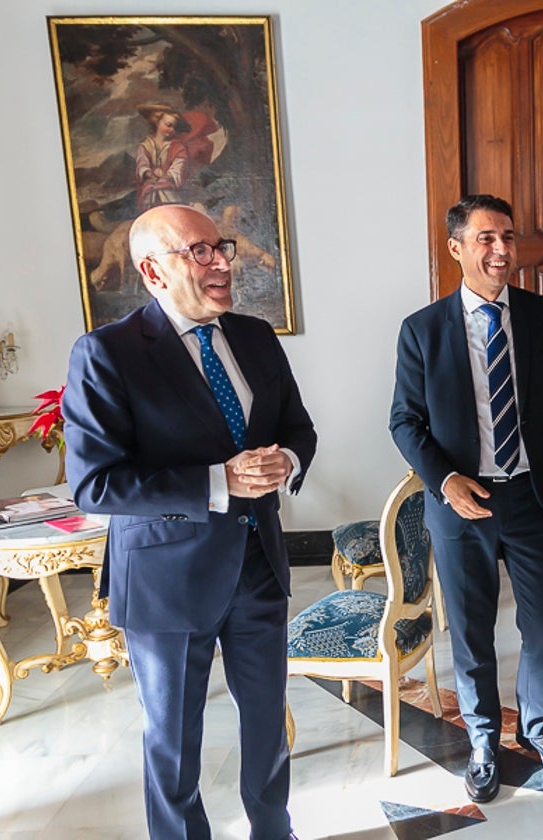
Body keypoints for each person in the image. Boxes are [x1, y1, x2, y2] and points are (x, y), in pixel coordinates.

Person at [63, 204, 316, 840]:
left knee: (267, 726)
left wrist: (284, 460)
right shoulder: (106, 354)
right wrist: (217, 482)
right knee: (173, 744)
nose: (224, 262)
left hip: (259, 564)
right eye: (199, 252)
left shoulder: (255, 337)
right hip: (167, 582)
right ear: (152, 271)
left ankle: (273, 830)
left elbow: (297, 428)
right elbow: (95, 483)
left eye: (221, 246)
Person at [389, 194, 543, 803]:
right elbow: (405, 422)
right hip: (461, 505)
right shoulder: (421, 331)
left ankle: (537, 727)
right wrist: (444, 481)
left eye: (507, 237)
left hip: (533, 499)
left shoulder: (542, 316)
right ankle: (483, 738)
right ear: (456, 248)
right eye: (486, 238)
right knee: (473, 632)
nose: (501, 250)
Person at [135, 105, 192, 210]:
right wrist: (149, 174)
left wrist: (165, 175)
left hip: (169, 189)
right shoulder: (144, 146)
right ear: (157, 122)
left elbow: (178, 169)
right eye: (168, 125)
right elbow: (142, 165)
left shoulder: (178, 148)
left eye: (174, 127)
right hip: (149, 189)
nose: (171, 130)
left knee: (165, 194)